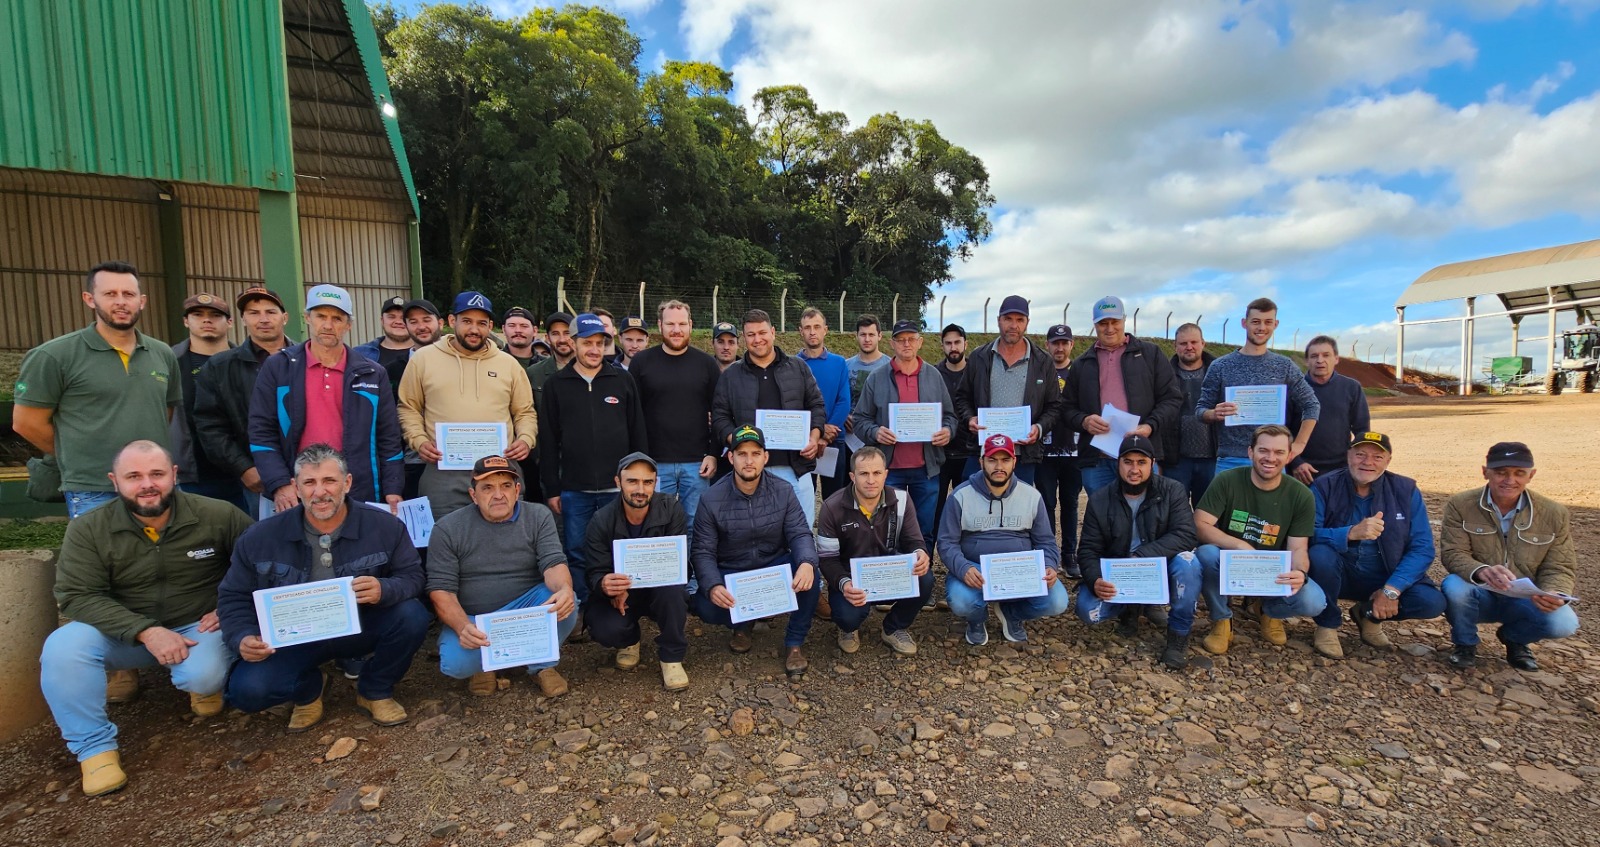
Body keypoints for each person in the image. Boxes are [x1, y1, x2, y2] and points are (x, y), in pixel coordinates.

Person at [40, 440, 253, 796]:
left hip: (198, 625)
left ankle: (203, 686)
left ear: (173, 474)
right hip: (123, 632)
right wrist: (145, 630)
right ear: (115, 481)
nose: (147, 484)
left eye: (156, 474)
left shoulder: (219, 514)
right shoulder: (89, 529)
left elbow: (259, 562)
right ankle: (95, 751)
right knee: (63, 648)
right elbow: (75, 595)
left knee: (203, 676)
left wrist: (230, 606)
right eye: (134, 476)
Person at [219, 445, 431, 731]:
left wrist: (384, 589)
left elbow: (413, 576)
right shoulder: (259, 537)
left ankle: (374, 690)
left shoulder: (384, 526)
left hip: (359, 624)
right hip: (294, 637)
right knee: (247, 692)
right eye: (309, 482)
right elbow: (234, 596)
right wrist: (242, 637)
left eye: (329, 481)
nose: (320, 492)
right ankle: (309, 689)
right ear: (295, 487)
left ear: (347, 483)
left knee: (412, 615)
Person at [13, 261, 180, 518]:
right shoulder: (55, 355)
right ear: (90, 299)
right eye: (110, 294)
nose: (121, 302)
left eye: (129, 294)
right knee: (103, 558)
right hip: (93, 488)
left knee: (160, 556)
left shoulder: (162, 353)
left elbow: (164, 412)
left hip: (154, 487)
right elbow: (26, 423)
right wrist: (78, 456)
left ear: (142, 301)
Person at [427, 455, 578, 697]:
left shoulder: (538, 516)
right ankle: (485, 666)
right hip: (476, 618)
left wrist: (564, 589)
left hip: (525, 609)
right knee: (455, 665)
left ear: (517, 489)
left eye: (506, 486)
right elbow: (441, 590)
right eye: (487, 488)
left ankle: (541, 664)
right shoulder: (447, 529)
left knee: (564, 600)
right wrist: (462, 626)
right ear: (473, 495)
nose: (498, 495)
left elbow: (553, 563)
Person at [248, 284, 404, 513]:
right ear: (307, 318)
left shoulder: (372, 372)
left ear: (348, 324)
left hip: (356, 491)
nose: (328, 325)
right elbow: (261, 431)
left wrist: (393, 488)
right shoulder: (278, 367)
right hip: (296, 490)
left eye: (337, 318)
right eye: (321, 316)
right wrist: (279, 483)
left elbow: (389, 438)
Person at [691, 425, 821, 676]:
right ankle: (743, 623)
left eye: (755, 453)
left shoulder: (783, 491)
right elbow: (703, 551)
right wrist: (714, 585)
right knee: (705, 606)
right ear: (730, 458)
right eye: (741, 454)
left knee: (810, 573)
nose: (749, 461)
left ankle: (794, 642)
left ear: (765, 457)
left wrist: (806, 561)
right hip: (733, 571)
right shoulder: (711, 498)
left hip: (773, 566)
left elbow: (800, 533)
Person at [1439, 442, 1579, 670]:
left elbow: (1560, 565)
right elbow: (1454, 553)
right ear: (1485, 472)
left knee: (1564, 623)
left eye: (1519, 473)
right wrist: (1482, 571)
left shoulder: (1554, 513)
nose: (1509, 480)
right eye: (1501, 472)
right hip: (1480, 591)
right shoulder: (1461, 504)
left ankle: (1515, 638)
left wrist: (1555, 592)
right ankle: (1465, 644)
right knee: (1454, 586)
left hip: (1525, 597)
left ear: (1531, 475)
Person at [398, 291, 537, 519]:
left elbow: (524, 412)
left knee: (505, 539)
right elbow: (408, 407)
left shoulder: (508, 364)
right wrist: (419, 441)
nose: (474, 329)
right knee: (446, 538)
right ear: (452, 321)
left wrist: (526, 439)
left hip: (500, 469)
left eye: (482, 323)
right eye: (467, 321)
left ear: (490, 325)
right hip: (443, 471)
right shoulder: (424, 359)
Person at [540, 313, 649, 605]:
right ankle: (586, 608)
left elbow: (637, 431)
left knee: (621, 548)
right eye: (587, 342)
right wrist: (552, 488)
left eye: (600, 343)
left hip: (618, 488)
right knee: (577, 549)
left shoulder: (622, 379)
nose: (594, 349)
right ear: (573, 343)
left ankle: (625, 604)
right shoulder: (556, 385)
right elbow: (548, 441)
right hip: (576, 488)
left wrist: (639, 480)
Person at [1307, 432, 1443, 659]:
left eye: (1377, 457)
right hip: (1340, 573)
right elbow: (1307, 533)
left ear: (1388, 460)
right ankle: (1327, 624)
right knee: (1320, 554)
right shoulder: (1324, 486)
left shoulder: (1406, 490)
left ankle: (1369, 615)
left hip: (1383, 575)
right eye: (1360, 454)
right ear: (1348, 455)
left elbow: (1422, 547)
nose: (1367, 462)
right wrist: (1350, 533)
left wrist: (1391, 590)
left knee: (1431, 602)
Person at [1193, 425, 1327, 654]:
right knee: (1205, 554)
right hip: (1230, 560)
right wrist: (1238, 545)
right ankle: (1222, 619)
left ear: (1289, 455)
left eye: (1279, 452)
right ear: (1250, 452)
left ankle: (1267, 609)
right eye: (1263, 450)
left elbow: (1298, 549)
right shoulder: (1227, 480)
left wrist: (1300, 574)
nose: (1270, 458)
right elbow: (1199, 524)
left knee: (1314, 601)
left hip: (1271, 570)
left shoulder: (1301, 495)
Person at [1075, 435, 1200, 669]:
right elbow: (1088, 550)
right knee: (1088, 611)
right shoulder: (1100, 498)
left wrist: (1143, 555)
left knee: (1189, 563)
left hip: (1161, 568)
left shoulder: (1173, 490)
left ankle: (1178, 636)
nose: (1134, 469)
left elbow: (1186, 534)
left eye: (1141, 462)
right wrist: (1095, 580)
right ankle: (1129, 608)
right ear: (1117, 463)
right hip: (1120, 574)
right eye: (1128, 462)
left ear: (1152, 463)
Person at [937, 433, 1070, 645]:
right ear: (981, 462)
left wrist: (1049, 565)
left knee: (1057, 601)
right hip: (976, 568)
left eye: (1005, 459)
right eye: (992, 459)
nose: (999, 466)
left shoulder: (1032, 496)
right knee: (962, 601)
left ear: (1014, 462)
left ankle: (1011, 613)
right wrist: (963, 568)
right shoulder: (960, 496)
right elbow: (946, 543)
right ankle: (977, 619)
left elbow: (1046, 541)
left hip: (1019, 572)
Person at [583, 452, 692, 690]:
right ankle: (630, 639)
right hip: (622, 596)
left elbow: (679, 562)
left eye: (647, 482)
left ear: (655, 483)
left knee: (674, 591)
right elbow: (593, 570)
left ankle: (672, 657)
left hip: (660, 589)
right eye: (632, 481)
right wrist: (605, 585)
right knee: (605, 629)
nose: (640, 489)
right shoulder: (601, 519)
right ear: (618, 482)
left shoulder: (671, 509)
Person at [711, 309, 827, 528]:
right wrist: (738, 444)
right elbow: (720, 418)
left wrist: (814, 437)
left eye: (762, 332)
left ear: (773, 332)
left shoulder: (798, 367)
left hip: (796, 468)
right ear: (744, 338)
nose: (758, 339)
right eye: (751, 334)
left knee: (801, 532)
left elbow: (817, 406)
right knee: (758, 534)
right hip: (752, 472)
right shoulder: (731, 376)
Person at [848, 319, 956, 554]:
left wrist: (947, 431)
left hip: (926, 470)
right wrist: (875, 432)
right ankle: (889, 577)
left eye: (911, 339)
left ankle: (921, 578)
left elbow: (949, 416)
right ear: (892, 343)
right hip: (888, 470)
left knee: (924, 529)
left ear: (920, 342)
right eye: (900, 340)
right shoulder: (877, 378)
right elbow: (859, 420)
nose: (906, 344)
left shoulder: (934, 376)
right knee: (886, 530)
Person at [1058, 296, 1183, 495]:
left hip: (1140, 456)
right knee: (1103, 520)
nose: (1109, 329)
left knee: (1144, 517)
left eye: (1114, 322)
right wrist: (1084, 421)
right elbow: (1066, 408)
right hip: (1097, 460)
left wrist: (1150, 426)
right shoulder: (1082, 364)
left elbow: (1172, 399)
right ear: (1094, 324)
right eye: (1103, 323)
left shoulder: (1151, 354)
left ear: (1124, 320)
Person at [816, 446, 932, 656]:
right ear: (852, 476)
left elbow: (913, 540)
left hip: (888, 573)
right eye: (864, 473)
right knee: (846, 616)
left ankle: (894, 627)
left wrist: (920, 552)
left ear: (886, 474)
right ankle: (848, 629)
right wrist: (844, 583)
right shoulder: (831, 507)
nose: (871, 480)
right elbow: (827, 559)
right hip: (851, 578)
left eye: (877, 473)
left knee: (925, 579)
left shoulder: (902, 500)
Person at [195, 287, 294, 517]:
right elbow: (209, 426)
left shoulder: (308, 359)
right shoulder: (220, 367)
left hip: (307, 474)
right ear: (242, 319)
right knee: (267, 542)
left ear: (284, 317)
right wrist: (244, 468)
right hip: (256, 479)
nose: (263, 319)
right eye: (254, 313)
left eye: (270, 312)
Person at [1198, 298, 1320, 474]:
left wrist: (1299, 444)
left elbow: (1312, 405)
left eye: (1268, 322)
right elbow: (1201, 410)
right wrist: (1213, 413)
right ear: (1244, 323)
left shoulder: (1285, 366)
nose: (1261, 328)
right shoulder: (1220, 366)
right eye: (1255, 322)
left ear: (1275, 324)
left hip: (1272, 462)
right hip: (1230, 461)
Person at [953, 295, 1063, 485]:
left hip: (1023, 455)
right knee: (976, 507)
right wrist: (969, 418)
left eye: (1019, 320)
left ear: (1027, 323)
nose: (1014, 325)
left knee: (1019, 511)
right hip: (983, 453)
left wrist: (1039, 428)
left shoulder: (1043, 361)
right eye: (1008, 319)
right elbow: (962, 397)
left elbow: (1054, 406)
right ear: (999, 321)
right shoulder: (979, 357)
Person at [628, 300, 721, 524]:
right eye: (670, 324)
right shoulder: (641, 363)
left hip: (697, 463)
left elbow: (719, 412)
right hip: (655, 462)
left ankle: (692, 561)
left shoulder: (707, 364)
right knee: (657, 522)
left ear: (691, 325)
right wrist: (640, 459)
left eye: (681, 324)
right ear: (660, 325)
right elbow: (632, 415)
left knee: (696, 523)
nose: (676, 330)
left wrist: (713, 453)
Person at [170, 293, 240, 508]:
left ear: (229, 322)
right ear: (186, 321)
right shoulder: (169, 362)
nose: (206, 320)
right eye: (198, 315)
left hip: (243, 475)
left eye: (215, 315)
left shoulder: (245, 361)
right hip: (191, 475)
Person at [1036, 323, 1083, 578]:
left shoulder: (1078, 373)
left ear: (1071, 345)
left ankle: (1069, 554)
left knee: (1071, 504)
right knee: (1046, 504)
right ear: (1048, 345)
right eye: (1056, 343)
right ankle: (1049, 553)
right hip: (1044, 451)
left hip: (1073, 450)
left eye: (1065, 343)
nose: (1060, 348)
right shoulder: (1040, 372)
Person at [1289, 337, 1370, 484]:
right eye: (1314, 356)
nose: (1320, 360)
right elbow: (1282, 430)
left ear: (1336, 359)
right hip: (1301, 472)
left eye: (1326, 355)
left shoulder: (1352, 388)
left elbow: (1362, 431)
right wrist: (1295, 462)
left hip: (1341, 470)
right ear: (1306, 361)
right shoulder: (1293, 389)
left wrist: (1356, 464)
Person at [795, 307, 852, 499]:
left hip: (834, 440)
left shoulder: (839, 363)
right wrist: (815, 433)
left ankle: (830, 531)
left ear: (825, 330)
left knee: (835, 498)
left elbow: (843, 401)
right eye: (807, 327)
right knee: (804, 496)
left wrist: (825, 436)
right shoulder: (791, 364)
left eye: (817, 327)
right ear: (800, 331)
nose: (812, 332)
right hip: (803, 443)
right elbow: (793, 404)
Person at [1162, 323, 1217, 508]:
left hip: (1212, 458)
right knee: (1176, 513)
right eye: (1183, 343)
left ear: (1203, 343)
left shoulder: (1219, 372)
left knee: (1209, 515)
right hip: (1176, 460)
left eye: (1194, 342)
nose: (1189, 347)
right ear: (1175, 346)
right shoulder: (1163, 375)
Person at [933, 324, 976, 534]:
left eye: (957, 342)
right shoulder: (933, 374)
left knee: (967, 511)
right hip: (939, 454)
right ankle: (928, 559)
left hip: (969, 453)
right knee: (935, 509)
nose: (953, 347)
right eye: (948, 343)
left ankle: (965, 560)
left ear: (965, 344)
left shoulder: (977, 373)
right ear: (942, 346)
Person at [353, 296, 416, 392]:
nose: (398, 322)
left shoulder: (426, 353)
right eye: (391, 317)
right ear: (382, 320)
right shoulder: (359, 354)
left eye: (403, 318)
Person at [526, 311, 575, 408]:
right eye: (555, 334)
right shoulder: (534, 373)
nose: (562, 340)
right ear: (547, 338)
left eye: (567, 333)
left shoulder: (589, 371)